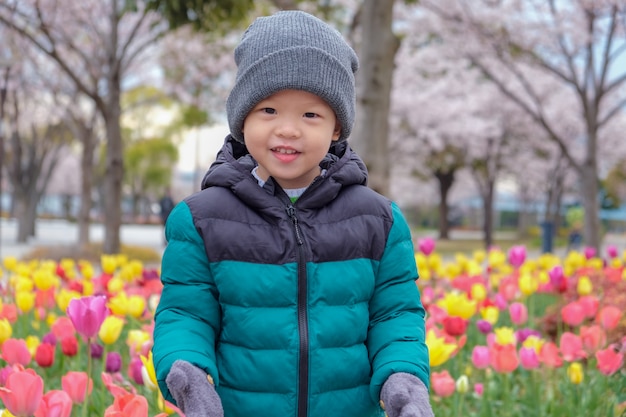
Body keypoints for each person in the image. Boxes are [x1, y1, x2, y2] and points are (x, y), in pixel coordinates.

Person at [152, 10, 433, 417]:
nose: (288, 129)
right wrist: (188, 372)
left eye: (310, 114)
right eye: (268, 110)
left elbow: (395, 315)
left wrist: (403, 379)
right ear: (242, 118)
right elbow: (185, 312)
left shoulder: (379, 221)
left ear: (337, 127)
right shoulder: (200, 220)